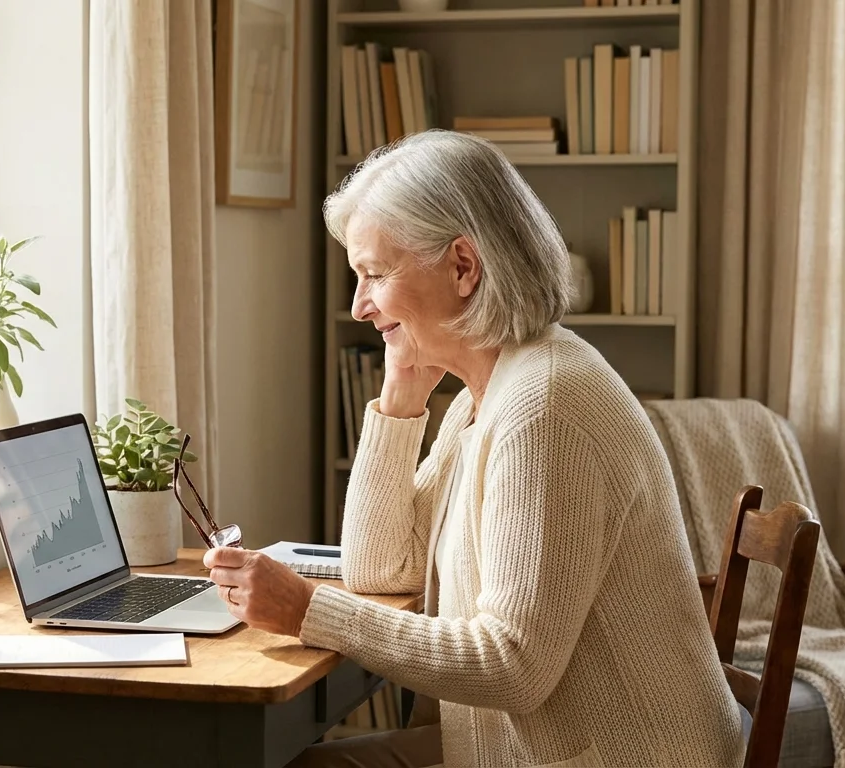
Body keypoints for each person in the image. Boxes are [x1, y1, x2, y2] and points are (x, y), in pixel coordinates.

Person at [203, 130, 743, 768]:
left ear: (463, 265)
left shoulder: (543, 408)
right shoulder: (486, 390)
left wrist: (310, 610)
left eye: (374, 274)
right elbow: (383, 570)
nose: (358, 306)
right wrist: (402, 394)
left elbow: (513, 666)